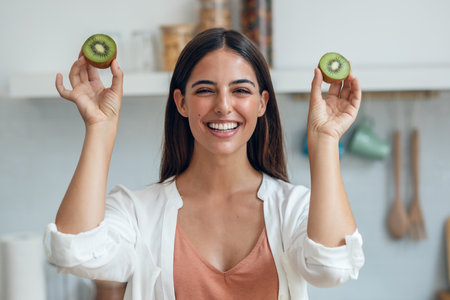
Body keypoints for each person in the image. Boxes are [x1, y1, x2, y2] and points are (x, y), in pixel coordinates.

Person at [44, 28, 364, 300]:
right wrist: (99, 127)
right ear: (181, 102)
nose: (223, 106)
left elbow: (331, 268)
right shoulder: (138, 212)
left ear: (262, 103)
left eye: (240, 90)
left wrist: (325, 140)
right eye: (205, 90)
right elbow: (73, 252)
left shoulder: (293, 208)